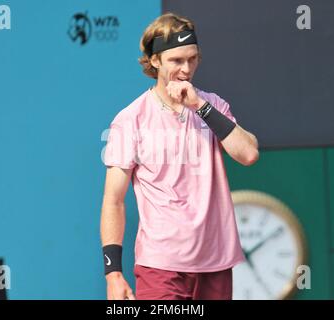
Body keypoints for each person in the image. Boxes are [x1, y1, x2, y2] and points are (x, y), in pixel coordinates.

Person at [100, 12, 259, 300]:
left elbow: (248, 153)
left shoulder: (213, 106)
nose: (186, 69)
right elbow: (113, 200)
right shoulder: (130, 119)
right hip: (160, 266)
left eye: (192, 58)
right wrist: (113, 273)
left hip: (216, 262)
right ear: (155, 61)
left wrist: (200, 105)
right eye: (176, 60)